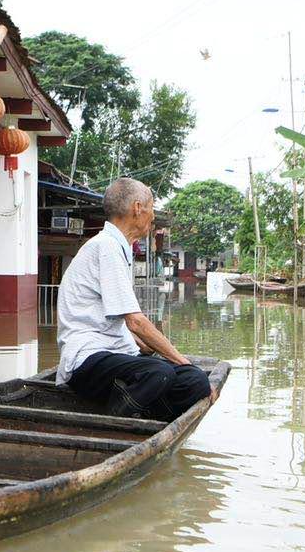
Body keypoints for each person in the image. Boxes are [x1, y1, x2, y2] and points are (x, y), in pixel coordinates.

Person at [55, 177, 213, 421]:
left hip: (115, 354)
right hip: (87, 359)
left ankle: (144, 414)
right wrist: (183, 362)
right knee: (161, 371)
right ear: (138, 208)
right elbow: (135, 322)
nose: (152, 214)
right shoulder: (106, 247)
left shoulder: (118, 247)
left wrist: (150, 348)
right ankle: (115, 420)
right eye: (151, 206)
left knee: (196, 382)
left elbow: (117, 324)